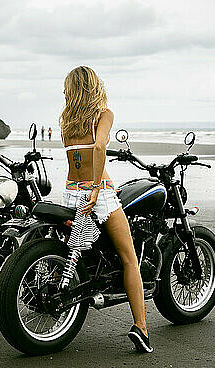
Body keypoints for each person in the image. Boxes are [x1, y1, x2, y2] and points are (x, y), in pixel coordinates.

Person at [60, 66, 152, 353]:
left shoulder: (66, 120)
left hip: (70, 192)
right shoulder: (103, 115)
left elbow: (75, 157)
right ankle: (142, 328)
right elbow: (99, 148)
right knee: (129, 258)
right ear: (93, 86)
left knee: (78, 249)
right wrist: (98, 188)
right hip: (96, 194)